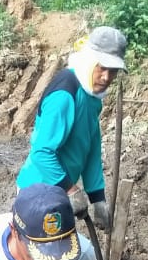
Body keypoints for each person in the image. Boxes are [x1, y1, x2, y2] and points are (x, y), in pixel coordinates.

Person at [15, 25, 128, 230]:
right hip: (37, 194)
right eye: (102, 67)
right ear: (89, 58)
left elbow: (90, 148)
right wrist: (71, 190)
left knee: (61, 257)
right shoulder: (65, 94)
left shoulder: (92, 97)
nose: (106, 77)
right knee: (40, 258)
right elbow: (42, 152)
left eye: (113, 71)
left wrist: (97, 198)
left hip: (59, 193)